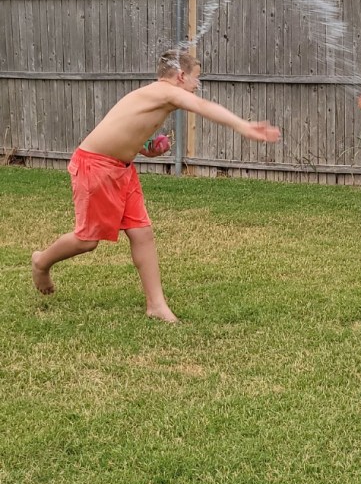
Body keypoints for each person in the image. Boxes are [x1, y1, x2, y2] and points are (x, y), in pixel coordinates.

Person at [31, 49, 281, 323]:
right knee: (87, 241)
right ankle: (41, 262)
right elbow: (205, 108)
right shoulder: (164, 91)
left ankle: (156, 305)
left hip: (122, 170)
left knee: (142, 233)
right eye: (196, 79)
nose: (197, 85)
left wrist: (147, 147)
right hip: (96, 167)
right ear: (181, 76)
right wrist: (244, 127)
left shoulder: (158, 98)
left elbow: (126, 131)